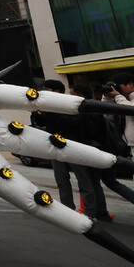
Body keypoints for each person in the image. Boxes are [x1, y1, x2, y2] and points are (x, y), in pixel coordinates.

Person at [69, 84, 112, 222]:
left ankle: (91, 212)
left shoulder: (83, 111)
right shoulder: (96, 109)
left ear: (80, 95)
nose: (70, 97)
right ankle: (102, 212)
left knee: (87, 182)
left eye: (72, 94)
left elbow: (87, 132)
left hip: (86, 149)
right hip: (98, 148)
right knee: (95, 182)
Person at [32, 79, 76, 210]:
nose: (43, 91)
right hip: (55, 146)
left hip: (73, 144)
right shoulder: (48, 107)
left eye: (46, 89)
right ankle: (68, 208)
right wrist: (36, 112)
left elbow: (71, 123)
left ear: (56, 91)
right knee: (61, 179)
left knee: (83, 179)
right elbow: (42, 123)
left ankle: (92, 211)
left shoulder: (67, 104)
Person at [103, 73, 134, 157]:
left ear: (130, 84)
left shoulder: (124, 99)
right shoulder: (124, 99)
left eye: (118, 86)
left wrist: (117, 96)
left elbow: (132, 111)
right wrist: (107, 97)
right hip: (129, 144)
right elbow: (108, 116)